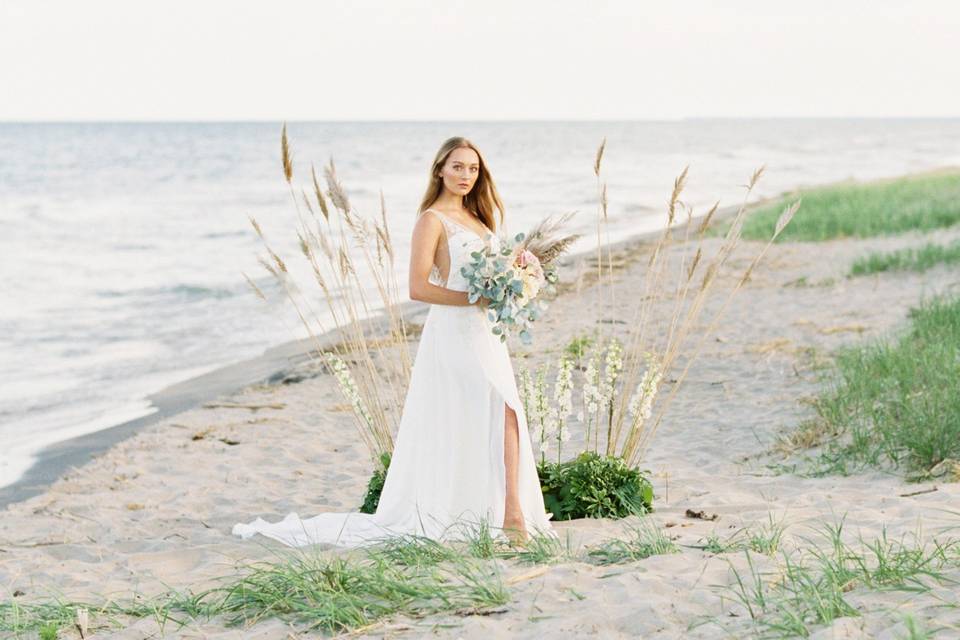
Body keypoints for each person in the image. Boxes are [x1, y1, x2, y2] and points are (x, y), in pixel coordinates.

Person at [233, 136, 554, 547]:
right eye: (457, 167)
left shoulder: (480, 220)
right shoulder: (431, 220)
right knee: (496, 408)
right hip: (454, 331)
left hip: (486, 331)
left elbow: (494, 271)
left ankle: (501, 510)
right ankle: (509, 515)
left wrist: (520, 278)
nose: (466, 176)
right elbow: (418, 288)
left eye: (473, 169)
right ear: (440, 169)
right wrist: (476, 297)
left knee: (501, 410)